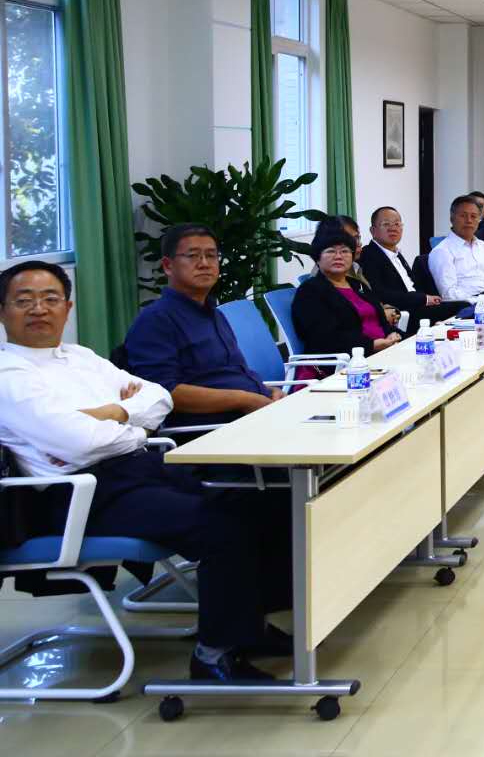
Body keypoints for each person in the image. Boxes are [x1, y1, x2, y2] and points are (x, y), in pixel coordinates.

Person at [0, 261, 293, 681]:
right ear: (3, 311)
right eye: (24, 301)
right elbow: (81, 442)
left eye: (50, 299)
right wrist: (131, 422)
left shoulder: (80, 357)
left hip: (136, 468)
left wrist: (112, 414)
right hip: (79, 494)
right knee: (220, 525)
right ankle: (214, 654)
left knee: (265, 498)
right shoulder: (8, 375)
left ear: (67, 307)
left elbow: (159, 397)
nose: (39, 310)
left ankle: (251, 627)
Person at [122, 223, 279, 429]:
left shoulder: (215, 314)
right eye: (193, 256)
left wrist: (269, 392)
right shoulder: (156, 320)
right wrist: (245, 399)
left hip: (251, 417)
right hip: (210, 431)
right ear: (168, 266)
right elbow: (161, 392)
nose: (204, 263)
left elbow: (233, 373)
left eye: (211, 256)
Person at [291, 227, 404, 371]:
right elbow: (324, 339)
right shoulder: (310, 291)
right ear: (317, 258)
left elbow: (380, 320)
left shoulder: (357, 285)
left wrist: (392, 333)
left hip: (381, 353)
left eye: (345, 251)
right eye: (331, 251)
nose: (338, 256)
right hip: (344, 365)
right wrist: (373, 345)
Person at [358, 206, 456, 328]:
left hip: (418, 307)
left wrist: (427, 298)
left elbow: (411, 286)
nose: (393, 228)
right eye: (386, 224)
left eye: (397, 224)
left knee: (463, 308)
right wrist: (424, 299)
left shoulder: (395, 254)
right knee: (461, 308)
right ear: (373, 230)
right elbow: (380, 293)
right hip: (402, 313)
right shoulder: (369, 255)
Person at [430, 195, 484, 303]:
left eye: (473, 216)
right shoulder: (442, 251)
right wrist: (482, 300)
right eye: (463, 216)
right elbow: (449, 295)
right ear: (452, 218)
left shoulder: (483, 246)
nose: (469, 221)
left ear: (479, 220)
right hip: (467, 307)